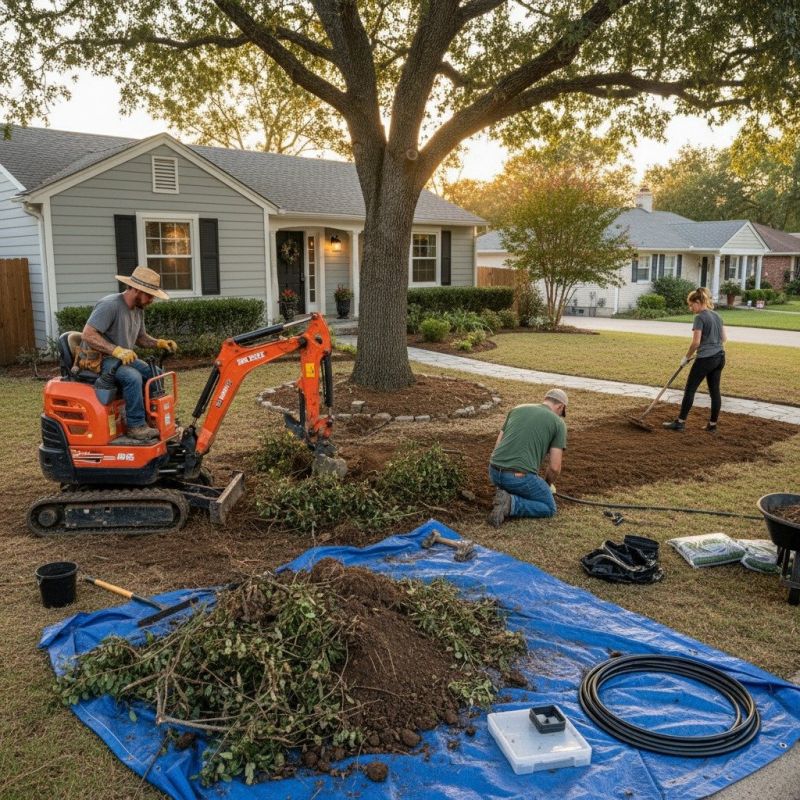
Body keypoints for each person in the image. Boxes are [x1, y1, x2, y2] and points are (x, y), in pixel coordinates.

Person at [81, 266, 178, 440]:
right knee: (132, 377)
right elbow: (88, 335)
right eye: (149, 295)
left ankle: (155, 418)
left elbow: (140, 338)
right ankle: (136, 426)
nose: (151, 300)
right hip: (100, 359)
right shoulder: (110, 305)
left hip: (121, 358)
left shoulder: (137, 310)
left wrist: (159, 343)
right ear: (136, 290)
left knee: (155, 373)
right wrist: (115, 350)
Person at [487, 388, 568, 528]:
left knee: (523, 484)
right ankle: (511, 504)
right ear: (560, 406)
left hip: (494, 472)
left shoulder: (517, 409)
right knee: (549, 507)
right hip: (518, 478)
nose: (560, 415)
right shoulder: (558, 423)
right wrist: (547, 485)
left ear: (545, 399)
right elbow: (555, 467)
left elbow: (497, 445)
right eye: (561, 412)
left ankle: (505, 493)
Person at [663, 287, 727, 434]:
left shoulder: (699, 318)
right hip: (720, 357)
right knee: (715, 392)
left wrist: (686, 357)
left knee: (690, 389)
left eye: (691, 305)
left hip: (705, 359)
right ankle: (712, 426)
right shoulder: (717, 316)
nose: (690, 308)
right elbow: (724, 339)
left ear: (698, 302)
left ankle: (680, 423)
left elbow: (696, 342)